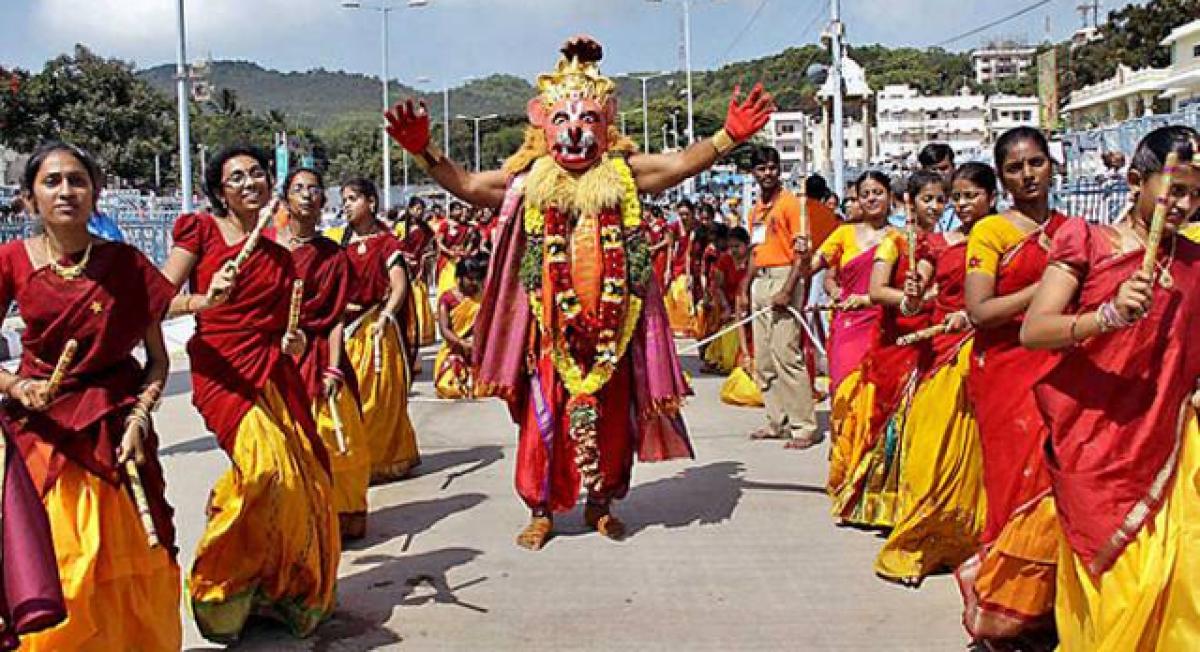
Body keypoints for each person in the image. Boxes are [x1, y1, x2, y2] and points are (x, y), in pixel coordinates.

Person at [384, 35, 769, 549]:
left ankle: (601, 503)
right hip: (547, 331)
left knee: (611, 423)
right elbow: (472, 186)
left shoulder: (623, 175)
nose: (575, 132)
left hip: (615, 328)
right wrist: (423, 151)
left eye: (587, 119)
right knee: (542, 425)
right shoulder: (528, 181)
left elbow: (678, 165)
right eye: (561, 120)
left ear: (606, 124)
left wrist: (728, 137)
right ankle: (541, 508)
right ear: (542, 126)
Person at [1021, 126, 1200, 651]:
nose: (1186, 205)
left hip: (1168, 443)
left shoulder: (1194, 261)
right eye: (1176, 191)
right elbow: (1036, 330)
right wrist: (1106, 315)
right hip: (1095, 442)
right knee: (1123, 588)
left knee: (1175, 578)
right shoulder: (1089, 241)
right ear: (1134, 181)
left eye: (1198, 194)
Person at [1, 142, 175, 650]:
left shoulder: (125, 264)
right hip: (43, 435)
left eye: (77, 180)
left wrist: (141, 416)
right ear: (30, 198)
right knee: (60, 567)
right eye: (51, 182)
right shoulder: (11, 260)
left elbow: (158, 362)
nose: (66, 191)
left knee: (130, 568)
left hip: (115, 432)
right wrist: (16, 385)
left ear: (96, 193)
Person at [161, 145, 338, 642]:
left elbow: (286, 327)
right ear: (219, 190)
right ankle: (218, 585)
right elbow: (157, 297)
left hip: (271, 373)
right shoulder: (199, 231)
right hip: (222, 373)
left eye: (257, 174)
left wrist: (295, 340)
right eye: (235, 177)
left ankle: (278, 588)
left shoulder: (282, 258)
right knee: (262, 472)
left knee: (299, 480)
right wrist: (205, 297)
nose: (249, 183)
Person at [956, 127, 1070, 648]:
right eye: (1015, 168)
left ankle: (1050, 608)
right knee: (1016, 490)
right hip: (1006, 373)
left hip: (1064, 372)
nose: (1028, 175)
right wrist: (1044, 290)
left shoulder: (1075, 231)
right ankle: (1005, 608)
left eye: (1036, 163)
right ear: (1001, 178)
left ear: (1052, 165)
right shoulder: (992, 234)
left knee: (1061, 486)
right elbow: (980, 311)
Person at [874, 162, 994, 586]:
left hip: (987, 352)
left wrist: (978, 314)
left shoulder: (1006, 238)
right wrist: (908, 299)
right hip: (940, 353)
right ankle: (923, 538)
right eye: (956, 197)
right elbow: (918, 298)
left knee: (978, 455)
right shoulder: (938, 245)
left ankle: (973, 541)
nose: (961, 204)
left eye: (970, 195)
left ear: (991, 198)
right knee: (930, 449)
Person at [826, 171, 943, 527]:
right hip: (896, 340)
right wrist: (911, 303)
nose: (935, 207)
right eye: (927, 200)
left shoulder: (947, 240)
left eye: (941, 199)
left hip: (937, 338)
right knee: (890, 417)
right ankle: (883, 501)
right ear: (909, 202)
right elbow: (879, 291)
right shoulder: (895, 243)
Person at [269, 167, 372, 541]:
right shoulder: (269, 251)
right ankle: (294, 514)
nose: (308, 195)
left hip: (323, 355)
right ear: (285, 201)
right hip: (278, 357)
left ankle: (340, 515)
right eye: (299, 189)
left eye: (314, 189)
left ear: (323, 201)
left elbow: (335, 319)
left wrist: (332, 369)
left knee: (336, 436)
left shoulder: (333, 255)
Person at [737, 145, 836, 448]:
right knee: (764, 358)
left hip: (784, 278)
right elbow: (755, 251)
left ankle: (804, 426)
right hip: (761, 282)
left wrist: (788, 288)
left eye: (772, 167)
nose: (767, 174)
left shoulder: (792, 205)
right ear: (752, 172)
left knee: (786, 354)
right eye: (761, 168)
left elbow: (801, 254)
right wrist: (744, 286)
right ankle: (776, 420)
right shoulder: (756, 210)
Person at [335, 178, 421, 484]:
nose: (346, 204)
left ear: (371, 203)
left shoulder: (387, 243)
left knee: (377, 398)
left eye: (353, 198)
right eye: (344, 199)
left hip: (376, 330)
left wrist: (385, 316)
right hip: (347, 330)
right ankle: (356, 458)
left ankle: (381, 459)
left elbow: (399, 285)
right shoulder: (339, 243)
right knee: (350, 397)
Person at [434, 254, 487, 399]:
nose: (474, 282)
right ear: (459, 278)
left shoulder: (481, 297)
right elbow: (444, 329)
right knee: (450, 388)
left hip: (477, 350)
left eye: (476, 278)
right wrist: (462, 343)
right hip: (453, 350)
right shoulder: (447, 298)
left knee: (484, 388)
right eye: (470, 278)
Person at [397, 196, 437, 348]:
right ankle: (409, 332)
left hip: (419, 267)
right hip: (404, 266)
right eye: (417, 209)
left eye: (422, 209)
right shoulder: (401, 227)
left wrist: (424, 259)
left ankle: (422, 333)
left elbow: (433, 248)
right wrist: (405, 258)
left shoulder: (425, 229)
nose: (419, 212)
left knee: (420, 297)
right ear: (409, 209)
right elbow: (394, 247)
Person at [435, 200, 477, 297]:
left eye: (461, 209)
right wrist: (449, 252)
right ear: (451, 211)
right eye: (457, 209)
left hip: (459, 260)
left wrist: (465, 252)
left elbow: (468, 243)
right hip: (446, 260)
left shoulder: (465, 227)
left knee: (457, 285)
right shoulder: (445, 224)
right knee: (446, 284)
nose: (460, 211)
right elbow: (439, 243)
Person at [919, 142, 960, 232]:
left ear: (953, 167)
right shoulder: (916, 203)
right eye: (933, 169)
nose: (939, 173)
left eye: (943, 168)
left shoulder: (963, 200)